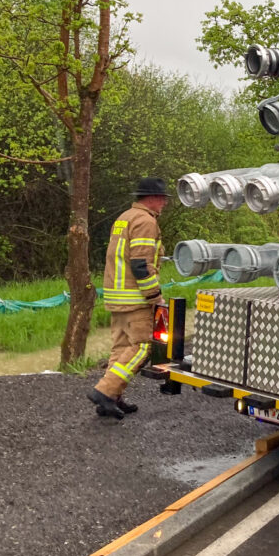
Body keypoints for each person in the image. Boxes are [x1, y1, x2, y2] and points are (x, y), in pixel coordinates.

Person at [87, 177, 169, 419]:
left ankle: (111, 399)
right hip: (136, 299)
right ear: (152, 198)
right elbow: (140, 265)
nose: (164, 203)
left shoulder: (124, 217)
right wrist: (155, 297)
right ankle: (105, 391)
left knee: (121, 348)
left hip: (116, 296)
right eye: (163, 198)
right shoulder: (145, 221)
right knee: (143, 347)